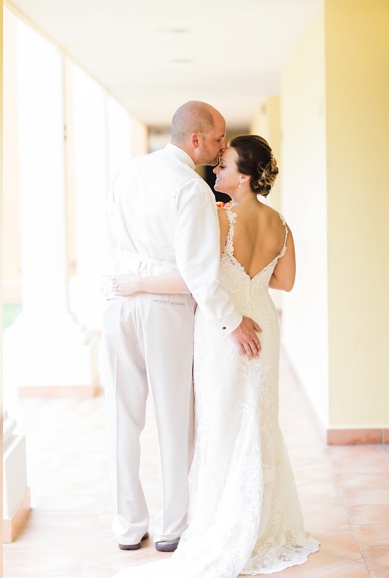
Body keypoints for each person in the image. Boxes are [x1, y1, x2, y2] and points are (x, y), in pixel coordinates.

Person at [111, 135, 319, 577]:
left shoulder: (221, 220)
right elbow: (285, 282)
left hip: (223, 332)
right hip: (263, 319)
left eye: (223, 166)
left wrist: (139, 283)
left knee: (220, 422)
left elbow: (195, 276)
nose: (215, 172)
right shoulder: (281, 223)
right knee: (258, 420)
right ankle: (263, 522)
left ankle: (222, 522)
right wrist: (252, 286)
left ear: (243, 176)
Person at [101, 101, 262, 553]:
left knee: (122, 417)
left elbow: (110, 242)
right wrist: (232, 323)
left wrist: (121, 283)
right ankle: (173, 526)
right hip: (164, 308)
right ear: (195, 140)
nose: (220, 146)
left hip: (119, 302)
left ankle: (128, 526)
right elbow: (200, 274)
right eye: (217, 139)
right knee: (174, 418)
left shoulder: (128, 173)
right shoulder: (190, 189)